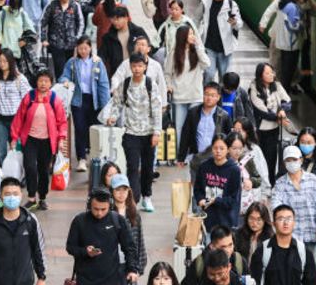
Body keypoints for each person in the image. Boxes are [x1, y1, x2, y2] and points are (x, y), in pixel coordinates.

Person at [107, 52, 164, 211]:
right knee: (132, 166)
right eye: (134, 66)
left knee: (147, 167)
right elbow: (117, 103)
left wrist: (157, 132)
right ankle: (134, 197)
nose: (137, 69)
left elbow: (158, 109)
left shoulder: (150, 84)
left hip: (148, 133)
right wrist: (112, 117)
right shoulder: (125, 84)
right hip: (131, 132)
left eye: (140, 66)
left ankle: (147, 196)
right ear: (130, 67)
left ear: (145, 66)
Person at [271, 146, 316, 285]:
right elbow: (276, 207)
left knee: (312, 273)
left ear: (301, 160)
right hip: (291, 238)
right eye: (288, 160)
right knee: (293, 273)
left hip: (311, 235)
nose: (291, 163)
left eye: (294, 159)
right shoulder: (280, 184)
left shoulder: (312, 180)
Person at [10, 70, 69, 209]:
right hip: (30, 140)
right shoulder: (29, 97)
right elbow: (19, 118)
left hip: (47, 141)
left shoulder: (55, 99)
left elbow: (62, 121)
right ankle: (31, 197)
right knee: (30, 167)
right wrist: (14, 137)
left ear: (50, 83)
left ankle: (42, 197)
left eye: (46, 81)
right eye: (40, 80)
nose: (43, 83)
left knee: (43, 170)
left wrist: (61, 139)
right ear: (36, 82)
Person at [59, 36, 111, 170]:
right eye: (80, 48)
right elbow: (63, 75)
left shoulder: (97, 62)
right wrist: (65, 81)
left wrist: (105, 105)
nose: (83, 51)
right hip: (78, 100)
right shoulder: (72, 62)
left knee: (94, 129)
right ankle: (81, 158)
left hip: (94, 100)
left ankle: (95, 157)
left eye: (85, 48)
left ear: (90, 48)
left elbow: (103, 84)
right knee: (80, 129)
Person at [165, 25, 211, 154]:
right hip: (179, 95)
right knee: (179, 127)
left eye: (193, 33)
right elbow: (167, 73)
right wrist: (169, 85)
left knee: (195, 126)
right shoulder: (174, 54)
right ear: (182, 36)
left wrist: (198, 47)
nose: (193, 36)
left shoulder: (197, 51)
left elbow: (207, 64)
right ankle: (181, 153)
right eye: (190, 34)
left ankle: (196, 153)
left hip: (195, 95)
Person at [0, 49, 31, 167]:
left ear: (11, 62)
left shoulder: (20, 79)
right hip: (0, 118)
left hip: (16, 119)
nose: (2, 63)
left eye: (5, 61)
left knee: (18, 149)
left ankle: (20, 175)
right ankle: (2, 177)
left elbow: (27, 99)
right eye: (0, 61)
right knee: (0, 150)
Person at [247, 62, 290, 180]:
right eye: (268, 73)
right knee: (260, 159)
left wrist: (282, 110)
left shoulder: (276, 85)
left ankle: (271, 183)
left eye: (272, 72)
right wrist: (279, 117)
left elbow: (287, 101)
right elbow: (262, 111)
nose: (272, 75)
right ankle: (260, 183)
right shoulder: (254, 88)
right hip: (259, 130)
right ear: (260, 75)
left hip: (273, 129)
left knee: (271, 159)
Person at [193, 134, 242, 231]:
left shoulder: (234, 170)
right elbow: (197, 188)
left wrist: (215, 200)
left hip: (226, 220)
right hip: (208, 218)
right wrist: (200, 199)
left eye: (222, 148)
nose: (218, 151)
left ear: (228, 149)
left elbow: (234, 199)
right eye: (215, 148)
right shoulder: (204, 167)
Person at [177, 82, 230, 170]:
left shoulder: (224, 116)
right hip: (197, 158)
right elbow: (185, 135)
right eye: (206, 94)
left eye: (213, 95)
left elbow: (228, 138)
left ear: (218, 97)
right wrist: (181, 157)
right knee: (196, 183)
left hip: (216, 159)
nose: (209, 98)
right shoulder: (193, 113)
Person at [198, 0, 242, 83]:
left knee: (224, 77)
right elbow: (196, 18)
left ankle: (222, 98)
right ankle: (207, 97)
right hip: (209, 46)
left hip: (225, 49)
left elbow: (240, 24)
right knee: (209, 74)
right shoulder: (205, 2)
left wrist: (235, 23)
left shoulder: (232, 5)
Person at [40, 0, 85, 79]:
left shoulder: (75, 6)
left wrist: (77, 38)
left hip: (71, 44)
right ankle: (60, 91)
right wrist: (43, 39)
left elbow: (81, 23)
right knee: (60, 70)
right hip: (56, 44)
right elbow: (43, 23)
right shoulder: (51, 6)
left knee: (71, 70)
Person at [101, 6, 150, 77]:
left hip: (137, 71)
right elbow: (102, 55)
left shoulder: (138, 31)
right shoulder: (108, 37)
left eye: (117, 19)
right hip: (117, 72)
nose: (115, 22)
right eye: (113, 19)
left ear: (126, 18)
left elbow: (148, 48)